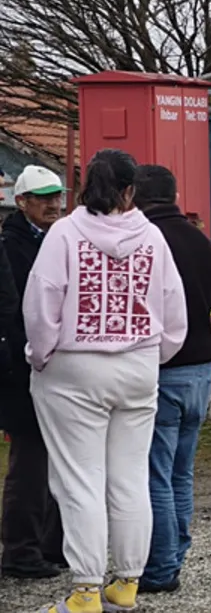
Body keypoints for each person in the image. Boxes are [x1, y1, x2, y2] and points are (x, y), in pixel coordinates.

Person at [25, 149, 188, 613]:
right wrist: (152, 355)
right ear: (130, 189)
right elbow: (174, 310)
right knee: (131, 479)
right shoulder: (153, 238)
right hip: (137, 366)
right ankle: (128, 582)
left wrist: (41, 356)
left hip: (74, 368)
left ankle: (85, 590)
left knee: (80, 480)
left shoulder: (63, 234)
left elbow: (42, 303)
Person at [132, 165, 211, 595]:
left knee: (155, 473)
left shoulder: (145, 241)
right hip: (202, 367)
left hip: (164, 368)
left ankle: (161, 566)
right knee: (181, 472)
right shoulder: (200, 240)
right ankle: (176, 552)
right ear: (176, 194)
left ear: (134, 196)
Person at [1, 166, 64, 580]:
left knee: (58, 460)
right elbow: (12, 311)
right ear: (21, 202)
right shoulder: (12, 245)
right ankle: (21, 549)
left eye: (57, 196)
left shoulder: (56, 240)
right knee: (31, 461)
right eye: (42, 198)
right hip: (22, 367)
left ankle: (51, 545)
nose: (53, 205)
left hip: (54, 363)